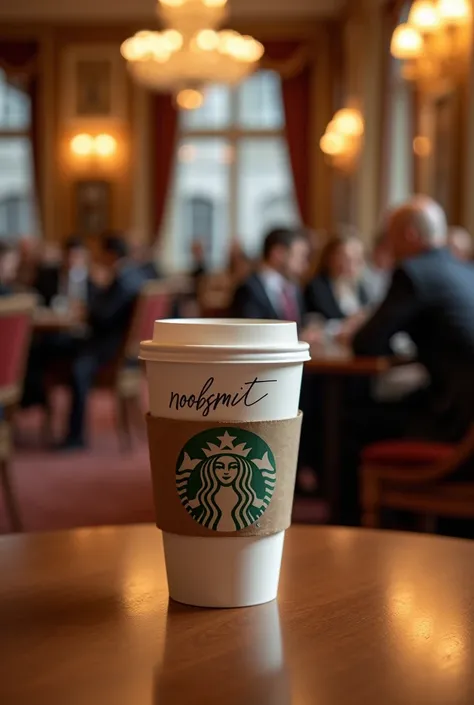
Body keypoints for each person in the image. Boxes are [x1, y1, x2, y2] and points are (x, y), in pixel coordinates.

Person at [352, 196, 474, 443]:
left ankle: (351, 481)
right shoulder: (464, 270)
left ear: (409, 234)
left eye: (390, 237)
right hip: (465, 408)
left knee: (355, 416)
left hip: (455, 419)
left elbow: (366, 343)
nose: (389, 247)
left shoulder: (413, 272)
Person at [23, 233, 146, 450]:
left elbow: (104, 317)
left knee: (77, 365)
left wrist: (86, 310)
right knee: (42, 350)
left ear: (110, 254)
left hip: (107, 351)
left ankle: (75, 436)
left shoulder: (122, 279)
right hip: (111, 347)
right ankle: (33, 397)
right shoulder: (133, 276)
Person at [231, 228, 309, 324]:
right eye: (300, 256)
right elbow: (251, 331)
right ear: (278, 254)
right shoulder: (248, 289)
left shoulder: (294, 288)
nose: (305, 265)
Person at [305, 235, 368, 322]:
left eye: (358, 258)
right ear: (331, 258)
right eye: (347, 258)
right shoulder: (317, 288)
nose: (353, 264)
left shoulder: (360, 287)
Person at [363, 230, 394, 305]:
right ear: (376, 250)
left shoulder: (393, 274)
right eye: (385, 251)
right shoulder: (363, 273)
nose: (389, 257)